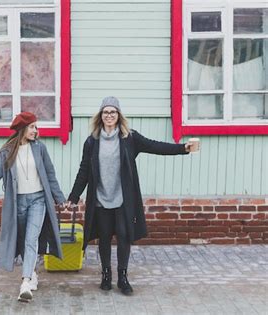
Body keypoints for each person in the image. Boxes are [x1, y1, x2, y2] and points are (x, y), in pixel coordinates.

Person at [66, 96, 198, 295]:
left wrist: (182, 149)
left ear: (119, 115)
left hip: (123, 199)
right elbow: (84, 170)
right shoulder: (92, 141)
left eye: (113, 112)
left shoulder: (130, 138)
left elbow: (155, 147)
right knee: (103, 239)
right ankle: (106, 275)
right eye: (105, 112)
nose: (109, 115)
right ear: (100, 116)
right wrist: (73, 197)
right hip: (101, 199)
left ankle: (122, 277)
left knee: (124, 236)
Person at [0, 112, 67, 302]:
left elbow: (50, 175)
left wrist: (60, 199)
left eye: (36, 127)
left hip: (38, 200)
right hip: (18, 203)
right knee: (21, 241)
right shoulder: (7, 151)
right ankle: (32, 272)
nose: (36, 131)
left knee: (31, 239)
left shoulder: (40, 149)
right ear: (22, 129)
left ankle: (25, 282)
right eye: (32, 127)